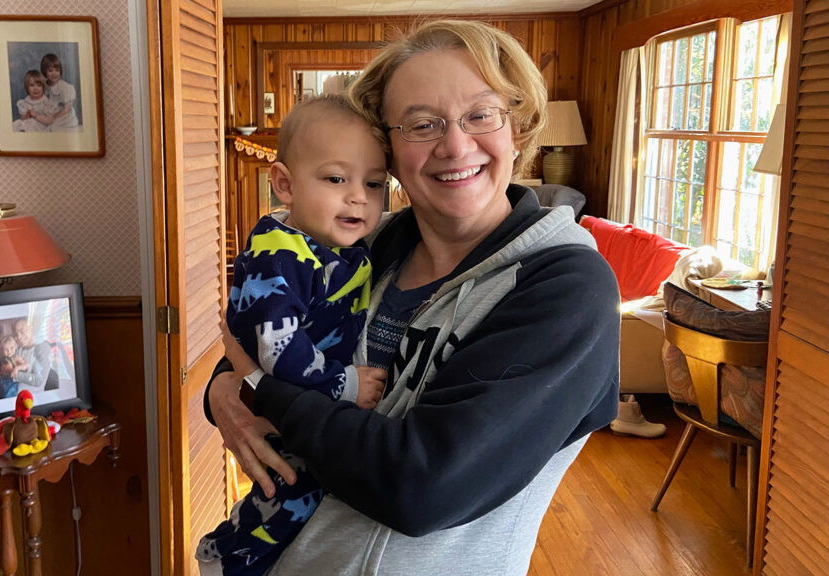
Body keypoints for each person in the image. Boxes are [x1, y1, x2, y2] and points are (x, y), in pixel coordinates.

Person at [205, 19, 620, 575]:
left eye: (481, 114)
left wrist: (259, 390)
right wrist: (222, 394)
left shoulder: (565, 289)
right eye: (422, 124)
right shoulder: (355, 252)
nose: (455, 144)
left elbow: (422, 486)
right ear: (390, 151)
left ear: (515, 128)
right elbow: (253, 340)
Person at [196, 94, 390, 576]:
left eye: (374, 183)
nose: (358, 197)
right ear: (284, 183)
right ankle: (225, 558)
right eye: (335, 179)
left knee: (297, 498)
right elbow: (278, 352)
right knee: (286, 496)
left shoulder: (343, 246)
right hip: (293, 405)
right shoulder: (279, 255)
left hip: (308, 413)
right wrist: (345, 384)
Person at [12, 318, 59, 393]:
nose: (19, 337)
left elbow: (38, 381)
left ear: (31, 328)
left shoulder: (42, 348)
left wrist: (16, 374)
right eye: (16, 334)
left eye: (22, 331)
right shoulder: (18, 349)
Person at [38, 53, 80, 132]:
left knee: (51, 127)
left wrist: (53, 117)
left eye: (57, 70)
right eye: (50, 71)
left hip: (64, 116)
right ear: (44, 71)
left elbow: (66, 109)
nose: (54, 73)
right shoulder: (44, 86)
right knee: (36, 123)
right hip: (50, 113)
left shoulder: (65, 88)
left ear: (60, 71)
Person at [0, 335, 27, 399]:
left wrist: (16, 368)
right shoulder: (2, 359)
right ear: (2, 350)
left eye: (11, 348)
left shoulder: (16, 358)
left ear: (15, 346)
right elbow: (2, 372)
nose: (9, 351)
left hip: (12, 383)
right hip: (2, 383)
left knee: (9, 395)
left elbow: (25, 365)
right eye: (6, 349)